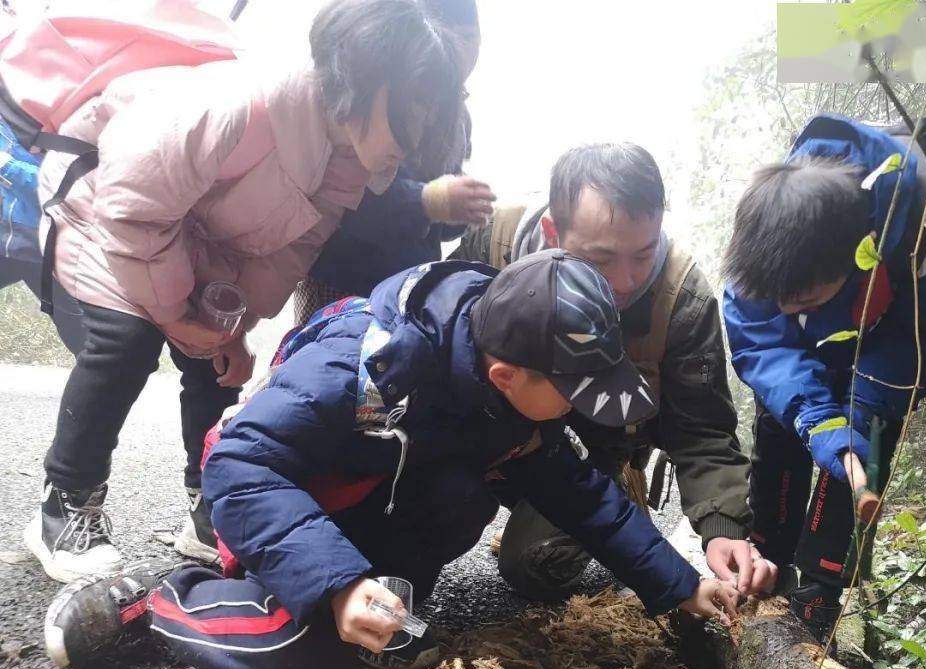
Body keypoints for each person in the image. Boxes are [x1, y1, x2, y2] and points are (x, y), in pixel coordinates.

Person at [43, 251, 740, 669]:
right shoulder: (371, 366)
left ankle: (374, 614)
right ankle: (158, 601)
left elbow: (581, 493)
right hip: (281, 505)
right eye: (577, 393)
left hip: (376, 505)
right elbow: (240, 466)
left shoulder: (516, 399)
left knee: (467, 491)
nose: (584, 412)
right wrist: (339, 585)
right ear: (505, 374)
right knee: (299, 655)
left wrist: (680, 586)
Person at [24, 0, 465, 582]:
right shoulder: (236, 105)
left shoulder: (344, 165)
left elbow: (283, 253)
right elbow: (132, 208)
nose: (415, 141)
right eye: (411, 113)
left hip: (189, 241)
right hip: (101, 213)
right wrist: (178, 316)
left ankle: (212, 505)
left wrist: (227, 327)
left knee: (215, 365)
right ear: (361, 80)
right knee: (125, 341)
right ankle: (67, 503)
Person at [453, 143, 776, 603]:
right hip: (497, 431)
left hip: (594, 447)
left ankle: (616, 492)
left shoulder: (680, 298)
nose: (624, 282)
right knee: (447, 496)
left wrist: (722, 529)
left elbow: (701, 429)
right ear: (552, 231)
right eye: (601, 260)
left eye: (643, 254)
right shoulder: (491, 245)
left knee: (535, 564)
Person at [722, 113, 926, 638]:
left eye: (799, 298)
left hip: (895, 325)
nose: (782, 307)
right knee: (785, 418)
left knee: (864, 443)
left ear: (862, 252)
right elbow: (764, 341)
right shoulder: (766, 237)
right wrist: (815, 420)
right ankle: (767, 553)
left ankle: (821, 587)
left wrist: (862, 409)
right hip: (826, 328)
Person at [294, 0, 494, 325]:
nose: (460, 51)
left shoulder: (456, 117)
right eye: (451, 38)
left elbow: (437, 218)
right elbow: (352, 199)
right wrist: (428, 201)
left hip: (407, 281)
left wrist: (458, 211)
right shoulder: (377, 103)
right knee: (319, 357)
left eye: (471, 38)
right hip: (341, 278)